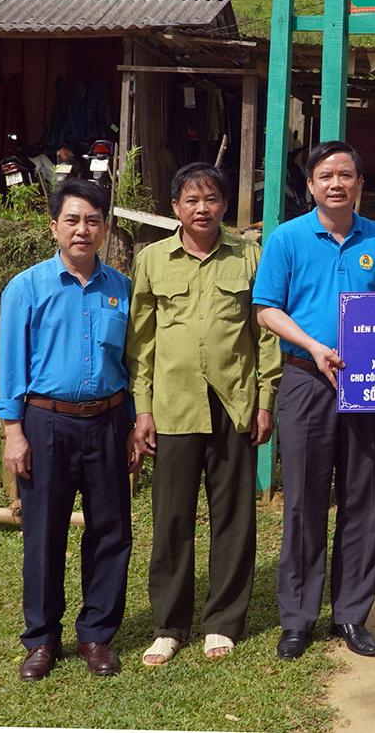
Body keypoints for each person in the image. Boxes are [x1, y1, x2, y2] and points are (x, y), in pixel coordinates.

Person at [253, 141, 375, 660]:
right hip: (305, 381)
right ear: (311, 186)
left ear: (359, 185)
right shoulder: (287, 239)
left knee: (362, 499)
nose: (336, 183)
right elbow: (266, 309)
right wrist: (314, 346)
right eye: (326, 176)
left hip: (368, 385)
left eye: (346, 174)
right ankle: (297, 618)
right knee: (303, 500)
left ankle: (350, 615)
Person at [127, 163, 282, 666]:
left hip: (234, 403)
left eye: (211, 199)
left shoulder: (249, 255)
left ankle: (222, 622)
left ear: (223, 205)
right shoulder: (152, 260)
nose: (202, 208)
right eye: (191, 200)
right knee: (171, 518)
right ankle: (169, 625)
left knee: (233, 517)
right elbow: (141, 343)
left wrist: (264, 401)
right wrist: (142, 408)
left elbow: (265, 334)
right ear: (175, 207)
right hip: (172, 406)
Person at [0, 178, 133, 681]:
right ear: (54, 227)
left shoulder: (120, 288)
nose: (82, 229)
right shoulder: (26, 287)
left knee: (111, 531)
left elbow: (132, 362)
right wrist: (14, 431)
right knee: (45, 532)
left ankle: (97, 634)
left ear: (105, 228)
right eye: (72, 220)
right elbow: (10, 364)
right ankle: (42, 639)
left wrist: (135, 422)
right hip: (46, 422)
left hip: (109, 421)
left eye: (92, 220)